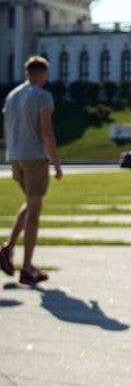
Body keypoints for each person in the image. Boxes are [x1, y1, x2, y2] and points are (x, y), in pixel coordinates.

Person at [0, 55, 62, 285]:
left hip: (15, 156)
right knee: (35, 212)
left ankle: (8, 248)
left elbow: (6, 129)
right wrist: (55, 162)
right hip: (35, 157)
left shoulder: (12, 96)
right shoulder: (42, 96)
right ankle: (26, 268)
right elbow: (46, 132)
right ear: (42, 74)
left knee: (29, 202)